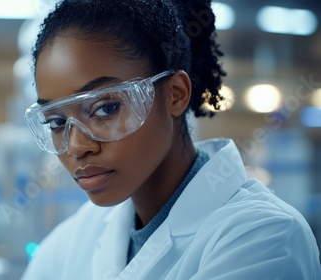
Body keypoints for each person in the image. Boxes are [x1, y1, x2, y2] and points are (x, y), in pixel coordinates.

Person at [21, 0, 321, 279]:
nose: (75, 146)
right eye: (57, 122)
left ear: (175, 94)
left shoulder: (265, 237)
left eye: (105, 109)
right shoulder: (77, 236)